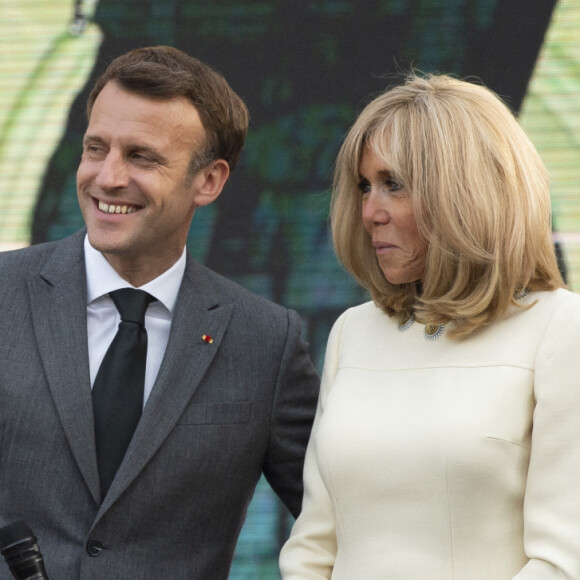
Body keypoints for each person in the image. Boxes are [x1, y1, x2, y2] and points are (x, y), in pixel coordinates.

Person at [0, 46, 319, 579]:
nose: (107, 177)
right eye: (96, 148)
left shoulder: (267, 343)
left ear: (209, 181)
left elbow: (342, 520)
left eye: (141, 157)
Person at [279, 73, 580, 579]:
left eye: (393, 184)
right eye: (363, 186)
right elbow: (312, 549)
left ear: (466, 191)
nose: (370, 211)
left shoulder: (560, 327)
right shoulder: (353, 331)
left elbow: (562, 561)